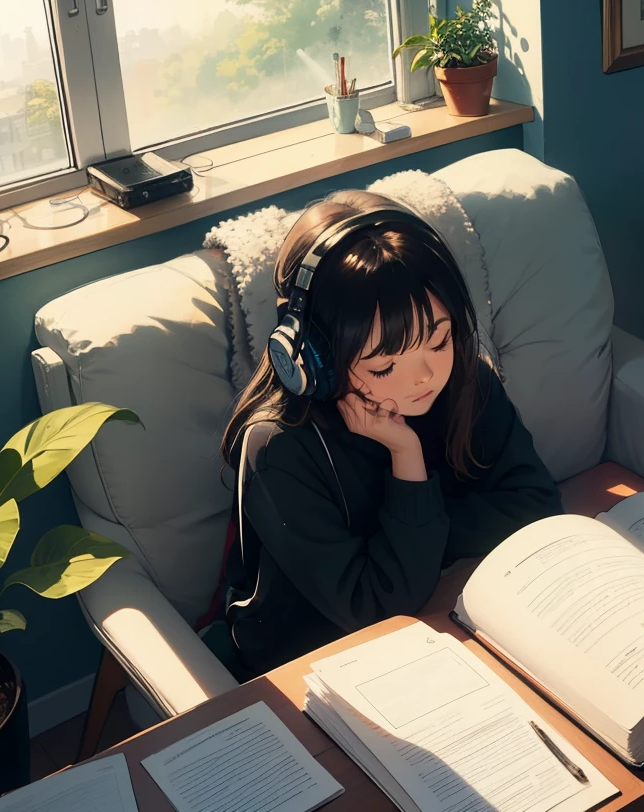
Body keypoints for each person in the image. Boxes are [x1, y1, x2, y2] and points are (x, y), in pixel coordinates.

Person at [216, 190, 562, 678]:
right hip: (321, 662)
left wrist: (408, 542)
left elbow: (537, 506)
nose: (424, 377)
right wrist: (407, 456)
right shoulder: (280, 448)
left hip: (448, 613)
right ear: (312, 356)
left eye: (439, 339)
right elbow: (378, 607)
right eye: (384, 366)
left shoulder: (463, 377)